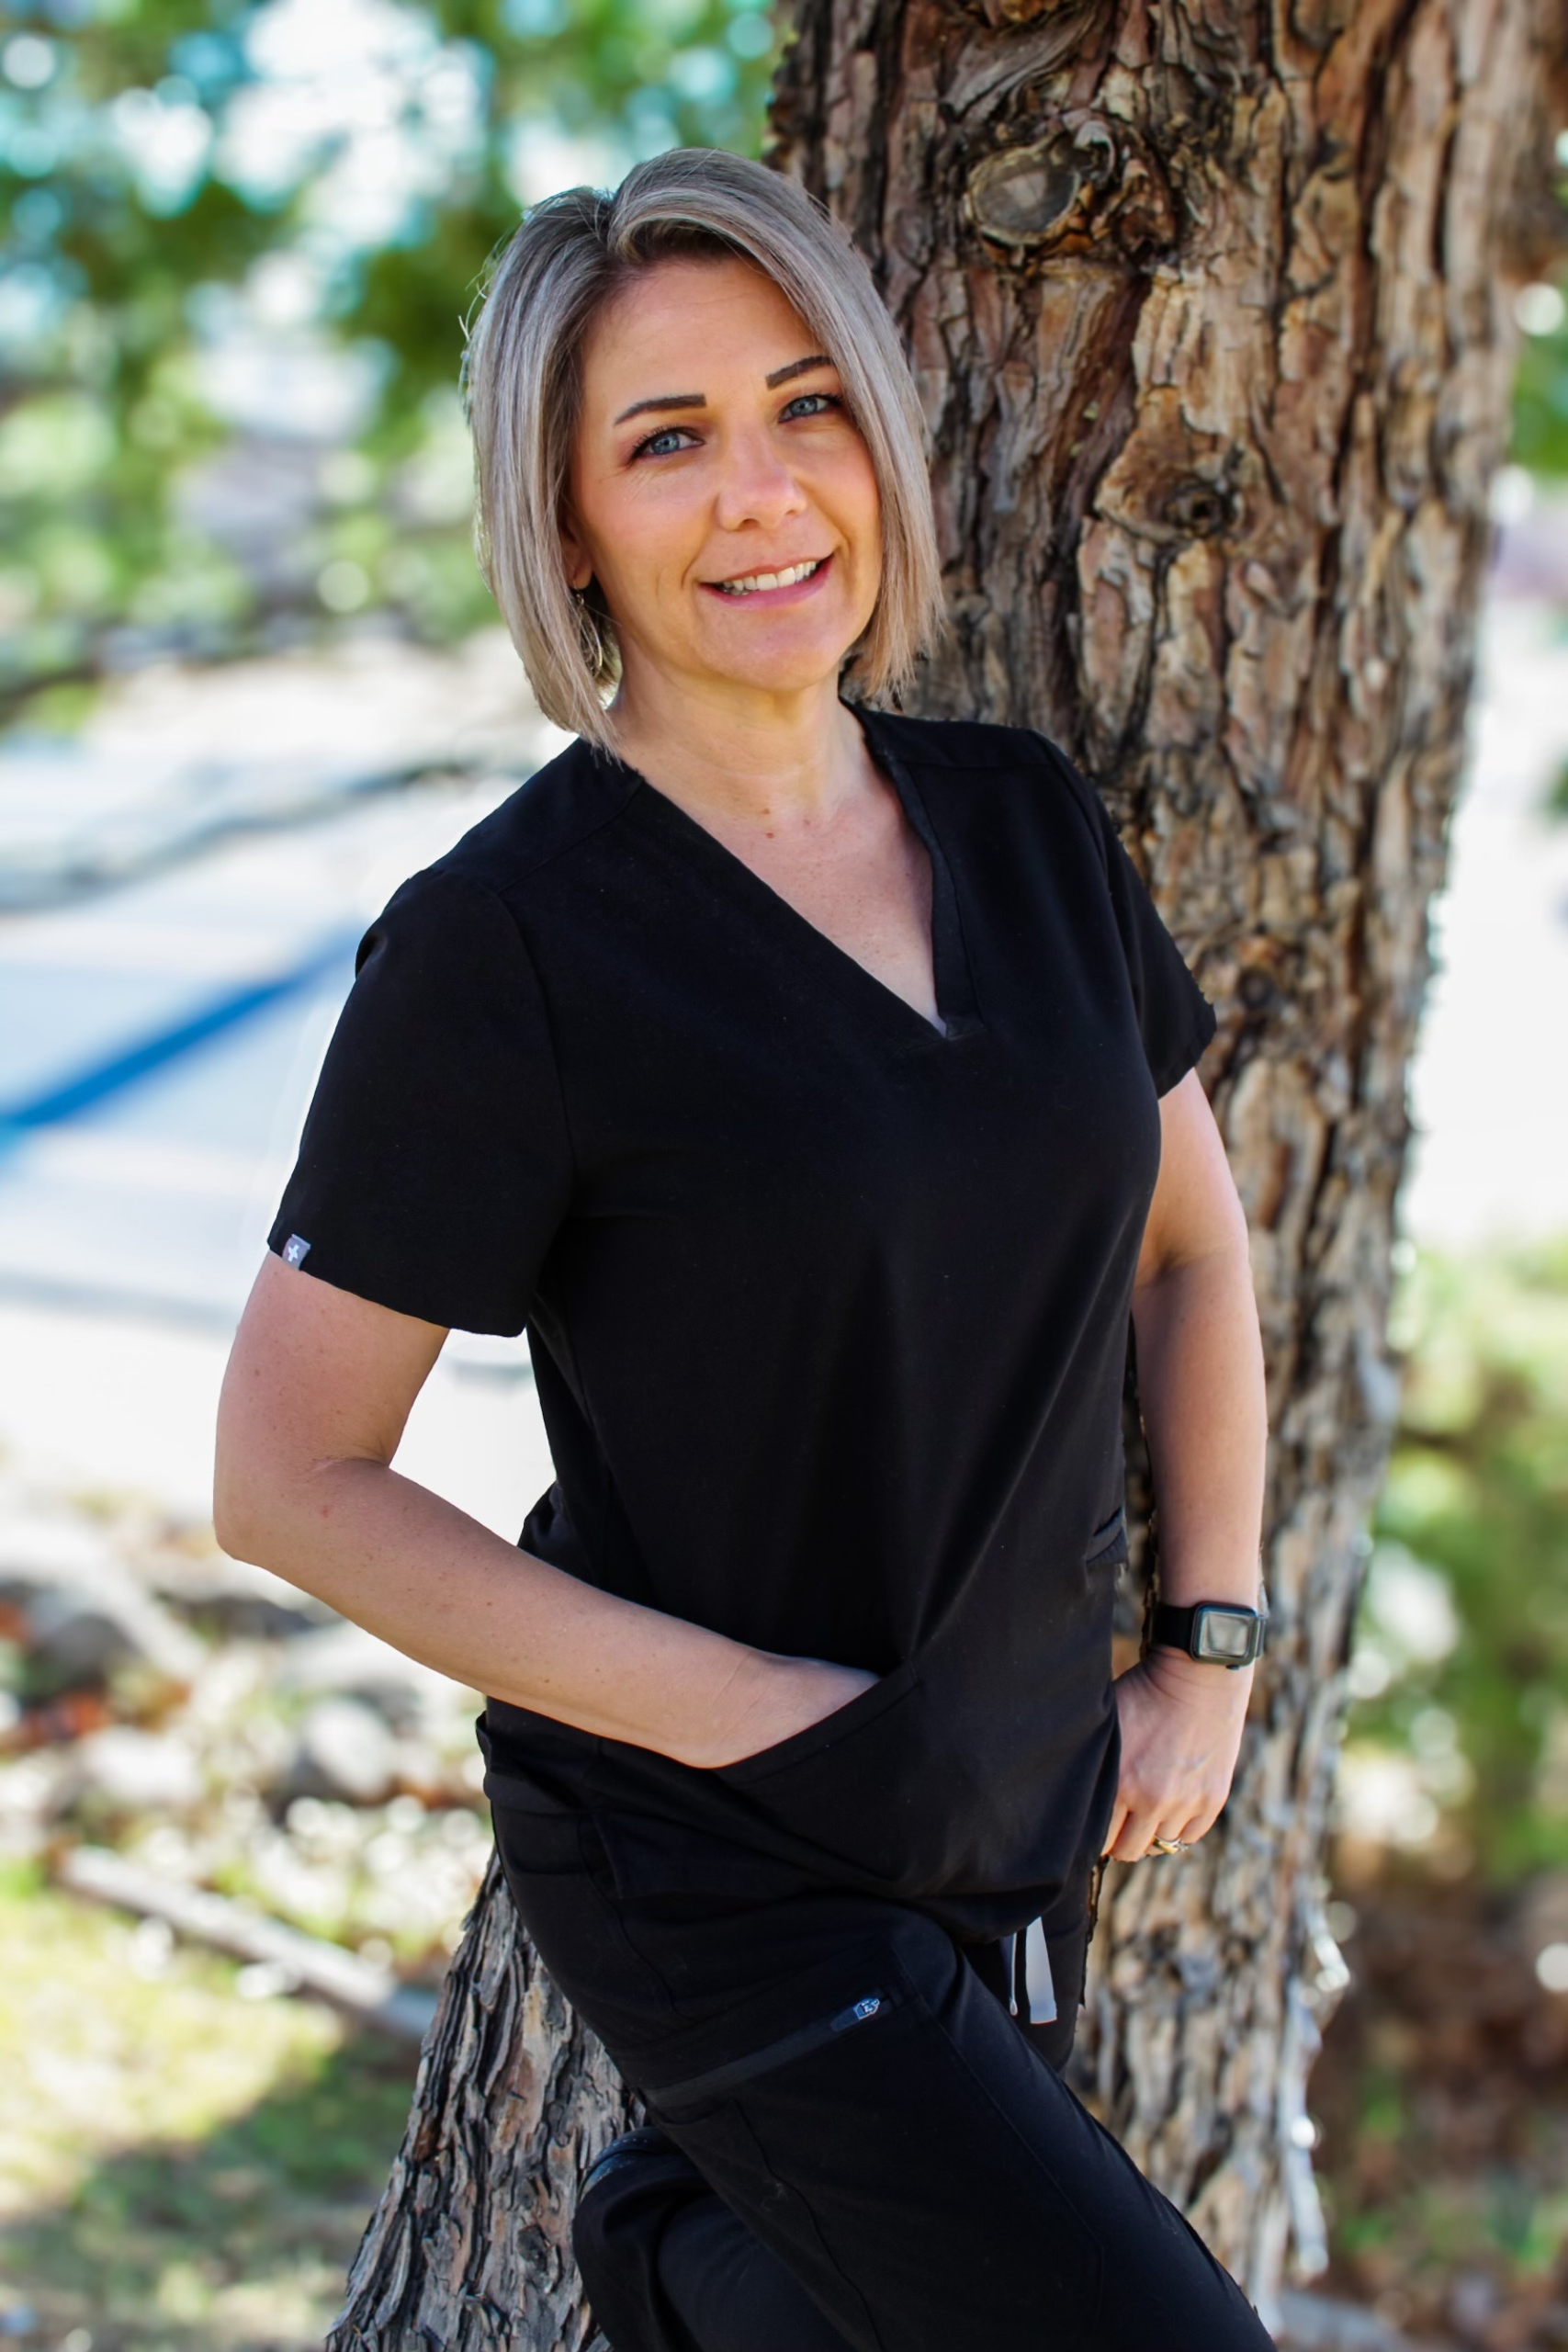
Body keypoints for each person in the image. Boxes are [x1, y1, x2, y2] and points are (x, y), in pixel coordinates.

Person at [213, 147, 1276, 2352]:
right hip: (724, 1853)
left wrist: (1212, 1642)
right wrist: (774, 1717)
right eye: (666, 438)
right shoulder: (508, 946)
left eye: (805, 406)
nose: (765, 491)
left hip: (1012, 1805)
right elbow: (288, 1474)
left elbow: (1191, 1243)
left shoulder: (1019, 820)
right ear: (568, 515)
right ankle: (664, 2250)